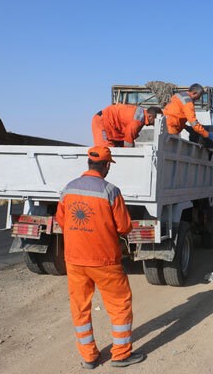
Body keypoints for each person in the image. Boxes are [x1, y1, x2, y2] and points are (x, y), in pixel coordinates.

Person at [55, 146, 145, 369]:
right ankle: (121, 354)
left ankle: (88, 356)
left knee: (80, 307)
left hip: (75, 260)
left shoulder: (68, 189)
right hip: (105, 260)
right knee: (119, 305)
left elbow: (62, 221)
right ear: (106, 166)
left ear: (88, 164)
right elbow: (124, 227)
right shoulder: (110, 191)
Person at [92, 104, 160, 147]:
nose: (155, 124)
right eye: (156, 121)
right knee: (104, 152)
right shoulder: (137, 122)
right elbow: (128, 143)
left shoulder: (141, 115)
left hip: (112, 126)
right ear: (150, 116)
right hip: (102, 122)